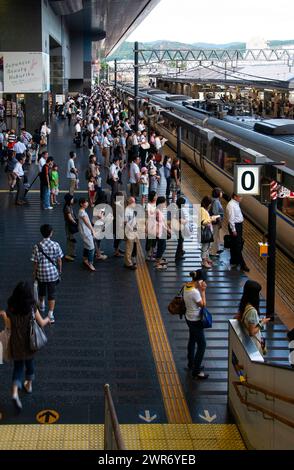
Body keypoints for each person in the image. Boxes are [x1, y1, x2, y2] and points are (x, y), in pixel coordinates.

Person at [0, 282, 51, 410]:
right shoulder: (32, 308)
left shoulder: (10, 309)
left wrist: (4, 316)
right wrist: (48, 320)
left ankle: (15, 392)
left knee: (18, 367)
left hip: (16, 343)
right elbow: (41, 323)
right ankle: (28, 384)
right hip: (29, 343)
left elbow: (8, 326)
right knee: (30, 364)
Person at [31, 224, 63, 324]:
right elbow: (59, 260)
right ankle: (50, 314)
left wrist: (34, 272)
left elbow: (35, 262)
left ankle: (42, 304)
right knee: (52, 293)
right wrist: (60, 271)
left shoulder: (37, 246)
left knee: (41, 290)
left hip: (41, 273)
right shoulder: (56, 245)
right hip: (52, 274)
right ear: (51, 233)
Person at [184, 270, 209, 380]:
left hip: (188, 317)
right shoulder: (195, 292)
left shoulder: (186, 286)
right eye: (203, 281)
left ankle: (191, 363)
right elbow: (203, 305)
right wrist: (203, 291)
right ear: (199, 280)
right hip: (195, 320)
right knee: (202, 344)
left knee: (192, 340)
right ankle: (196, 371)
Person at [239, 280, 270, 355]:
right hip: (252, 344)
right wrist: (262, 322)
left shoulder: (244, 303)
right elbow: (252, 332)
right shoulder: (252, 311)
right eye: (258, 292)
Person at [226, 193, 250, 272]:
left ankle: (234, 260)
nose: (241, 198)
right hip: (235, 226)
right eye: (240, 197)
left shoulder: (235, 203)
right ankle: (242, 264)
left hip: (238, 225)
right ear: (235, 197)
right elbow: (231, 219)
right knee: (238, 245)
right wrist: (234, 230)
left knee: (234, 244)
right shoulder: (231, 205)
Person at [201, 196, 219, 269]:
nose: (210, 205)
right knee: (205, 247)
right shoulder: (202, 210)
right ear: (207, 203)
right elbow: (203, 222)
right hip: (205, 231)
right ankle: (204, 261)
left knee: (207, 246)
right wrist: (211, 219)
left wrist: (211, 218)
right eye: (210, 204)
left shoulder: (203, 209)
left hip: (207, 230)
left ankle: (207, 258)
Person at [78, 198, 96, 272]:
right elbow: (87, 222)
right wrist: (93, 230)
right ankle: (90, 263)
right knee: (91, 248)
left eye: (87, 202)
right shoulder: (82, 212)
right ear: (81, 204)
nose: (87, 203)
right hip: (86, 232)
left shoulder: (82, 211)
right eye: (85, 202)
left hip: (85, 231)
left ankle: (85, 259)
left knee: (86, 246)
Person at [124, 197, 138, 270]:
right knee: (129, 247)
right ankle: (128, 263)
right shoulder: (127, 211)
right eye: (133, 202)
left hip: (132, 231)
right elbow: (126, 222)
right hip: (129, 231)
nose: (135, 203)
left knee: (131, 246)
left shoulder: (131, 209)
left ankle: (128, 261)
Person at [209, 187, 224, 257]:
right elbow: (215, 213)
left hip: (215, 221)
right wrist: (219, 222)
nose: (222, 193)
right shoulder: (216, 202)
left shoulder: (215, 200)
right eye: (221, 192)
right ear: (218, 193)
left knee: (216, 235)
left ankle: (216, 249)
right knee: (215, 236)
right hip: (215, 222)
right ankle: (212, 252)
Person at [63, 193, 78, 262]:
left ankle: (72, 253)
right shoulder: (67, 207)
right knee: (70, 240)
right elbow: (70, 217)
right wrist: (75, 223)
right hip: (69, 225)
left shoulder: (69, 206)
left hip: (71, 225)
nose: (73, 199)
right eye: (72, 199)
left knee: (72, 240)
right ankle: (69, 254)